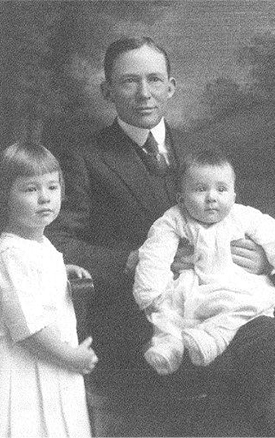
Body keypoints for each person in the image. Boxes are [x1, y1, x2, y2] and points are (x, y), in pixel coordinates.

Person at [47, 36, 274, 435]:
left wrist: (262, 258)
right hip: (145, 321)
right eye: (129, 82)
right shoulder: (83, 156)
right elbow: (57, 241)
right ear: (107, 90)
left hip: (227, 303)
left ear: (170, 86)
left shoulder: (203, 148)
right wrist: (132, 259)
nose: (144, 94)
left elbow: (242, 218)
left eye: (154, 80)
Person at [0, 141, 98, 437]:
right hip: (23, 372)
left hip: (47, 365)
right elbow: (29, 328)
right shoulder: (10, 256)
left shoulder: (39, 244)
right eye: (30, 189)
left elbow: (35, 282)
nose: (44, 198)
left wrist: (60, 274)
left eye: (52, 187)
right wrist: (71, 358)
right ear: (4, 195)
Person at [133, 148, 275, 376]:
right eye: (200, 189)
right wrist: (149, 293)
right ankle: (169, 347)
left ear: (234, 195)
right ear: (181, 198)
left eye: (221, 189)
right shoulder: (173, 219)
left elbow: (272, 237)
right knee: (167, 310)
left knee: (245, 306)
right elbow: (154, 255)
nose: (212, 197)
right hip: (194, 290)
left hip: (237, 287)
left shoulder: (244, 216)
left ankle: (211, 339)